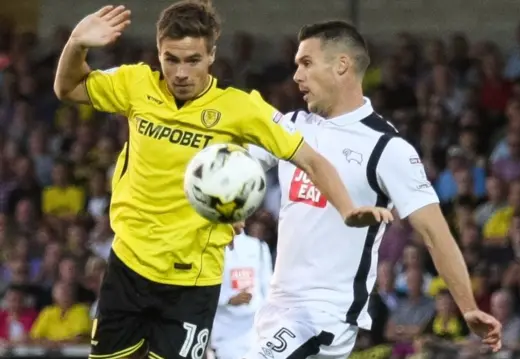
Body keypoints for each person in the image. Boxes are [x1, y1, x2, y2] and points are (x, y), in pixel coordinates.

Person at [53, 3, 391, 359]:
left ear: (212, 54)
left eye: (193, 60)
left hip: (191, 282)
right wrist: (77, 42)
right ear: (158, 53)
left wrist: (347, 208)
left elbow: (310, 159)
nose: (181, 72)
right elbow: (68, 89)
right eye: (172, 59)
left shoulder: (241, 109)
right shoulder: (135, 84)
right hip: (127, 267)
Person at [245, 21, 502, 359]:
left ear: (341, 65)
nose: (296, 76)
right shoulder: (292, 127)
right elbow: (231, 166)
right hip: (275, 311)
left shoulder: (386, 147)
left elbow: (436, 233)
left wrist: (467, 307)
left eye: (306, 63)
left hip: (325, 318)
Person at [210, 232, 273, 359]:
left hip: (254, 331)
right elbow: (204, 291)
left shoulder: (259, 246)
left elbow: (268, 288)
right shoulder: (212, 247)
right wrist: (228, 300)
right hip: (223, 333)